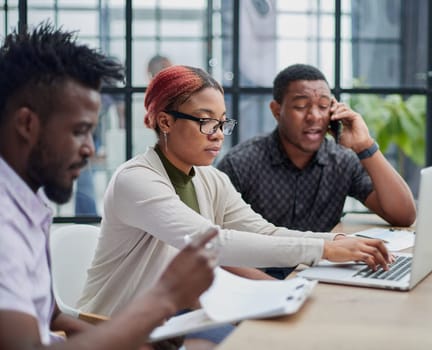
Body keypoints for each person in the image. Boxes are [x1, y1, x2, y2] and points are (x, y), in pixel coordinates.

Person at [77, 65, 393, 332]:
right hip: (114, 328)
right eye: (205, 121)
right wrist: (325, 248)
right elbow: (215, 243)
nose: (217, 133)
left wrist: (336, 241)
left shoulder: (211, 179)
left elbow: (265, 232)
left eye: (222, 122)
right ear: (165, 121)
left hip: (173, 320)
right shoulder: (136, 180)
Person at [0, 23, 216, 350]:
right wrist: (164, 298)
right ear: (27, 124)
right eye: (79, 131)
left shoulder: (26, 204)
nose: (89, 148)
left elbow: (52, 318)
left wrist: (134, 338)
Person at [217, 63, 416, 278]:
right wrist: (278, 288)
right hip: (257, 282)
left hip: (324, 274)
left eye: (323, 106)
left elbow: (403, 215)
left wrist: (365, 145)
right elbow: (211, 247)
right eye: (301, 106)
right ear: (276, 110)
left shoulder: (341, 160)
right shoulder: (240, 163)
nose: (314, 116)